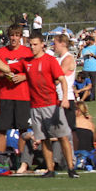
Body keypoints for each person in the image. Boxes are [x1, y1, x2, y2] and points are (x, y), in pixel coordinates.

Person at [26, 32, 76, 178]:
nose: (53, 46)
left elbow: (59, 78)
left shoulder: (64, 59)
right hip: (46, 101)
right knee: (46, 137)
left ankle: (71, 166)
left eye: (55, 43)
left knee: (64, 135)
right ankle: (51, 168)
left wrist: (64, 97)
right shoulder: (56, 59)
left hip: (60, 100)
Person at [0, 23, 34, 155]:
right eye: (11, 35)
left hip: (23, 96)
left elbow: (33, 72)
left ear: (21, 37)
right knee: (2, 129)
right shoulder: (0, 52)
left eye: (16, 35)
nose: (14, 38)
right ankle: (0, 158)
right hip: (5, 95)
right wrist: (4, 75)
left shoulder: (27, 52)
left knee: (23, 129)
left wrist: (23, 77)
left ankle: (21, 159)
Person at [79, 32, 96, 100]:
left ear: (90, 41)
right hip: (85, 68)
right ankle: (85, 97)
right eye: (85, 40)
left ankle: (92, 97)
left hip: (93, 69)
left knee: (93, 84)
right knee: (85, 84)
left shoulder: (95, 48)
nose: (85, 42)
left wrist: (93, 55)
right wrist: (80, 50)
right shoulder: (84, 48)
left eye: (86, 40)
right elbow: (79, 56)